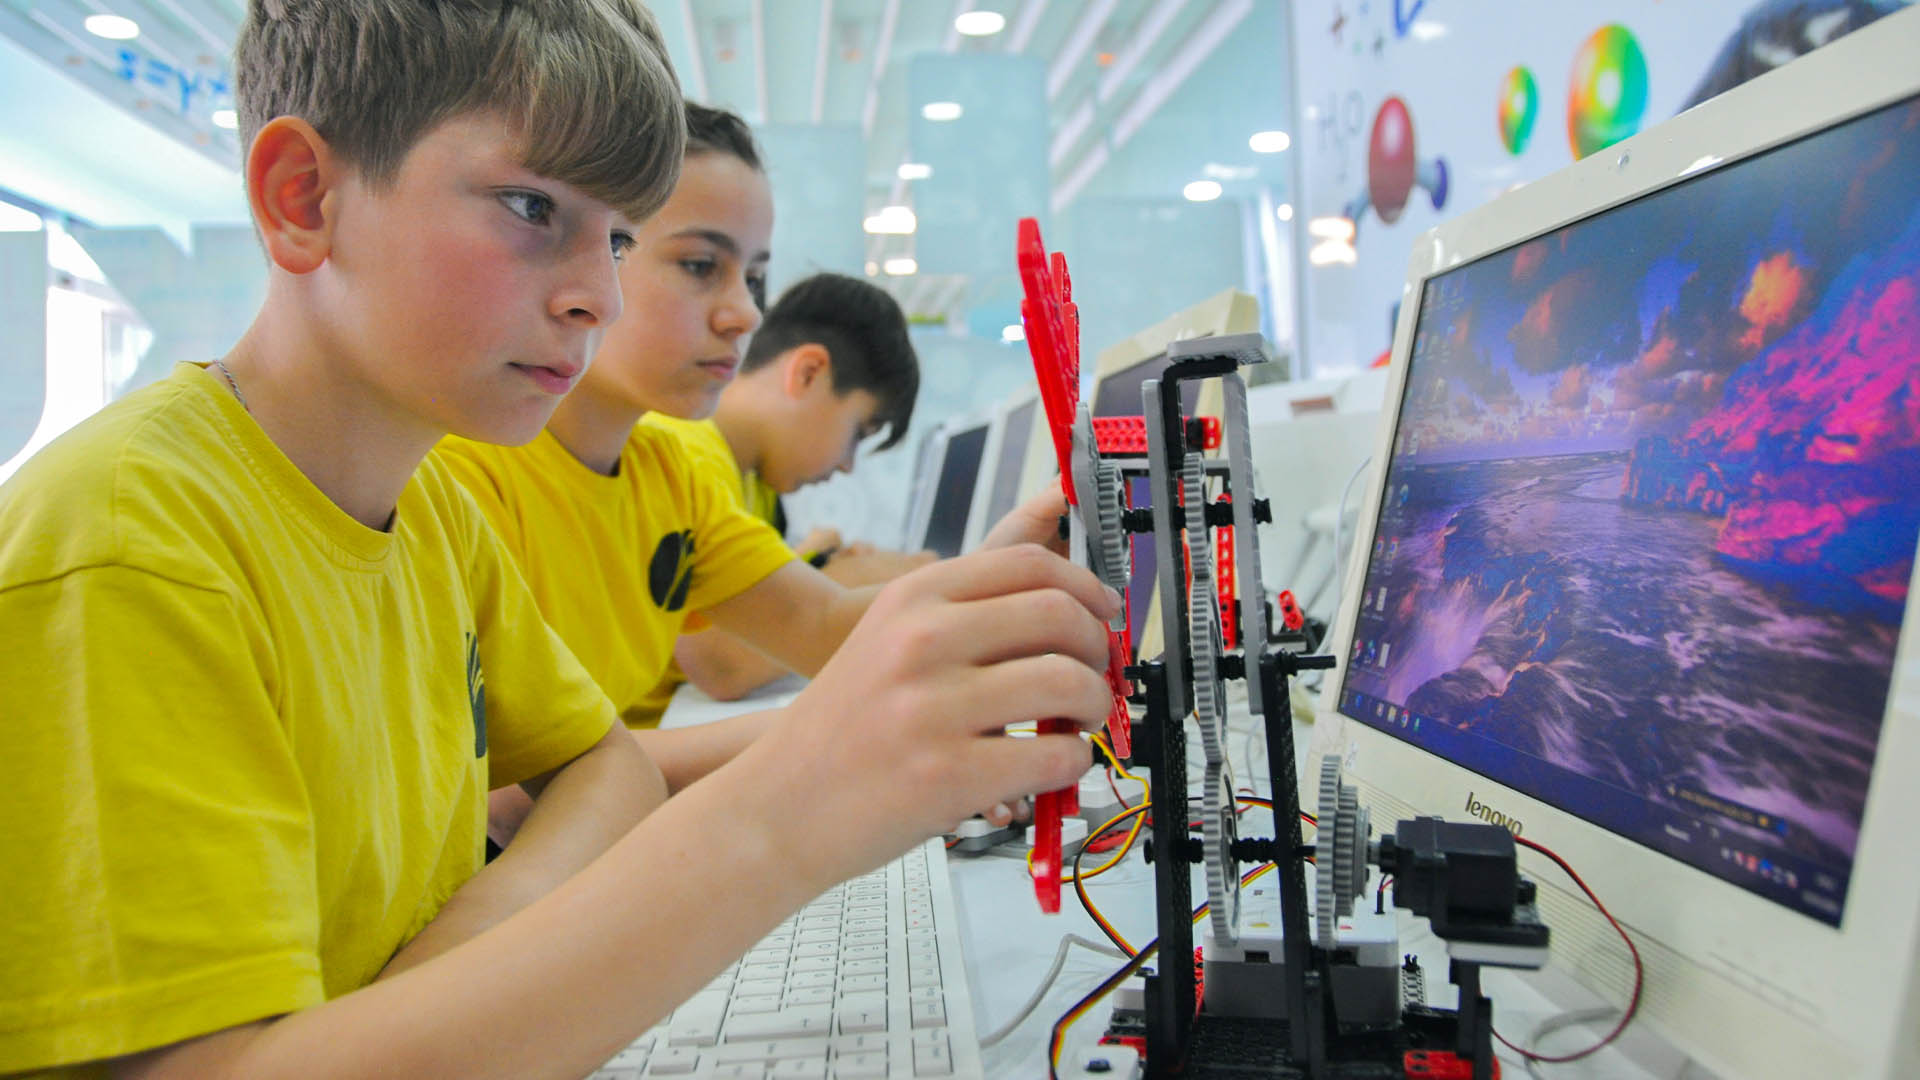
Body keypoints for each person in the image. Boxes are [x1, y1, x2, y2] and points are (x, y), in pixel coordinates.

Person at [0, 4, 1116, 1077]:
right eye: (532, 208)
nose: (597, 296)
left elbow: (605, 763)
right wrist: (782, 821)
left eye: (618, 239)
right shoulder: (131, 543)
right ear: (305, 197)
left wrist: (456, 970)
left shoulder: (428, 512)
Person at [436, 105, 1069, 809]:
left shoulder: (668, 471)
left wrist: (1008, 570)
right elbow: (500, 791)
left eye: (754, 278)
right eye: (700, 266)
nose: (744, 313)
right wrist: (851, 735)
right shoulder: (461, 476)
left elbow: (818, 625)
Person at [644, 271, 939, 704]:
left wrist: (812, 567)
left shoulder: (754, 484)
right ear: (808, 373)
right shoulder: (685, 451)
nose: (847, 465)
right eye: (858, 432)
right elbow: (720, 663)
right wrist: (878, 574)